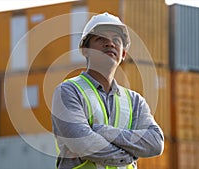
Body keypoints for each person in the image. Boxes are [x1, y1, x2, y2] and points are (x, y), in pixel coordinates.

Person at [51, 12, 164, 169]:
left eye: (116, 40)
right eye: (101, 39)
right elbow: (82, 143)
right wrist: (128, 156)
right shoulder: (69, 92)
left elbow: (155, 142)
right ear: (85, 50)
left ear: (123, 53)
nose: (110, 43)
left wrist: (103, 131)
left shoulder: (135, 101)